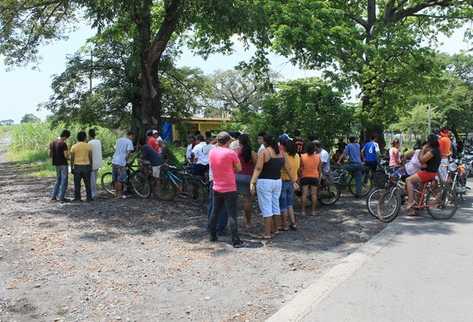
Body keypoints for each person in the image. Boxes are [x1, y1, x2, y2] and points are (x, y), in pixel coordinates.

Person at [208, 132, 243, 248]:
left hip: (216, 186)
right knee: (232, 214)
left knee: (215, 212)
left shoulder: (212, 151)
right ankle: (236, 241)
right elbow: (239, 168)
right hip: (229, 187)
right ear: (228, 141)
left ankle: (212, 235)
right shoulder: (231, 153)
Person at [250, 134, 284, 239]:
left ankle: (267, 233)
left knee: (266, 207)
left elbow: (258, 168)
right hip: (278, 181)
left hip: (265, 182)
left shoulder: (264, 152)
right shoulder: (281, 153)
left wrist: (252, 182)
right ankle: (276, 229)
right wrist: (293, 180)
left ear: (264, 142)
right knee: (275, 205)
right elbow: (285, 166)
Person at [406, 134, 441, 215]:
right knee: (420, 189)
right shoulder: (437, 150)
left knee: (408, 180)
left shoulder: (432, 151)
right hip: (430, 172)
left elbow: (422, 160)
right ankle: (418, 207)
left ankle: (410, 202)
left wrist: (423, 149)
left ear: (429, 142)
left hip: (428, 173)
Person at [207, 134, 228, 235]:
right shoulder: (228, 152)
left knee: (213, 205)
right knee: (224, 206)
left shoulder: (211, 151)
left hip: (213, 180)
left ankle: (211, 226)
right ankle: (220, 228)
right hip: (225, 182)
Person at [236, 134, 257, 228]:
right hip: (248, 177)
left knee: (234, 199)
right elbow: (257, 166)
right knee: (248, 200)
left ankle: (234, 220)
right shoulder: (252, 153)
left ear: (239, 142)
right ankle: (248, 222)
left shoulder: (236, 152)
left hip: (236, 176)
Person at [279, 139, 300, 230]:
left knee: (283, 204)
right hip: (293, 182)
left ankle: (285, 225)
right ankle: (293, 223)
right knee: (290, 204)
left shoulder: (284, 156)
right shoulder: (297, 156)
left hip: (284, 181)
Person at [300, 141, 322, 216]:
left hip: (304, 176)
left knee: (304, 194)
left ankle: (303, 211)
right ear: (314, 148)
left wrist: (300, 176)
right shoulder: (318, 157)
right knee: (314, 194)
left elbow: (300, 168)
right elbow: (319, 169)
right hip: (314, 177)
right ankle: (313, 211)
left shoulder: (302, 156)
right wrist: (319, 178)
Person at [70, 131, 93, 202]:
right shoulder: (88, 146)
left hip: (77, 167)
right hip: (86, 166)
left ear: (77, 138)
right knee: (88, 183)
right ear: (85, 137)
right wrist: (91, 166)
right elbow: (90, 157)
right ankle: (89, 198)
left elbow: (72, 159)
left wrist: (71, 167)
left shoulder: (74, 146)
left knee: (77, 184)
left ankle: (78, 198)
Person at [111, 131, 135, 199]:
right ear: (130, 135)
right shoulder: (129, 142)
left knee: (115, 179)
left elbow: (116, 150)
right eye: (133, 137)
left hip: (114, 160)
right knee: (120, 179)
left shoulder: (118, 140)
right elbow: (128, 153)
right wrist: (126, 160)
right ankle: (120, 195)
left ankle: (116, 194)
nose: (132, 139)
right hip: (121, 162)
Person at [49, 129, 71, 202]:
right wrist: (70, 158)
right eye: (67, 137)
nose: (66, 139)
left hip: (56, 164)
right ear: (65, 136)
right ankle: (62, 197)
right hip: (63, 164)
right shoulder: (63, 143)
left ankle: (53, 196)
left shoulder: (53, 142)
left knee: (58, 180)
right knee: (64, 180)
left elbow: (49, 154)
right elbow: (66, 155)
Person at [88, 129, 102, 200]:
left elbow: (89, 154)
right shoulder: (98, 141)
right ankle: (94, 192)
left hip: (92, 163)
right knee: (95, 178)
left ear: (89, 135)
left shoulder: (89, 142)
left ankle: (93, 194)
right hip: (98, 162)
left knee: (92, 179)